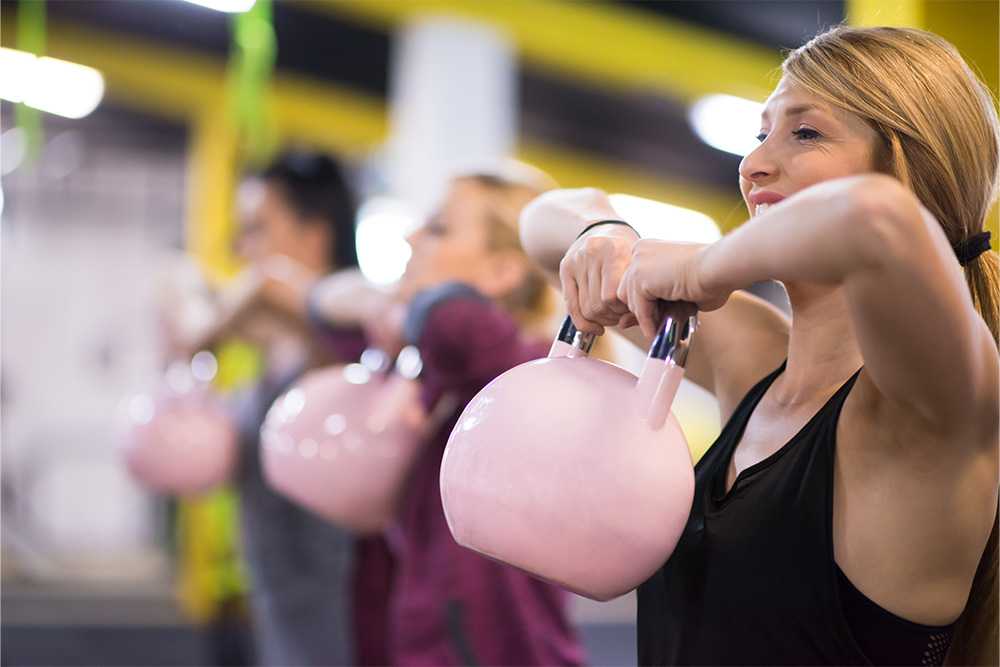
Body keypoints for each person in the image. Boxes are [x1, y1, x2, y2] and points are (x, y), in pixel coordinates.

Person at [519, 26, 999, 666]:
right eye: (760, 134)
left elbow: (880, 221)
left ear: (910, 167)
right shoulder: (756, 361)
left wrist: (706, 267)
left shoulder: (930, 403)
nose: (753, 164)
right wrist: (605, 233)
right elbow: (541, 222)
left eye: (806, 133)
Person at [310, 166, 588, 666]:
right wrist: (387, 305)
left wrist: (405, 308)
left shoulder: (518, 363)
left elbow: (450, 321)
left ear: (503, 271)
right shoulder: (429, 363)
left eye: (438, 228)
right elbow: (323, 303)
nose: (411, 237)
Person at [189, 150, 390, 666]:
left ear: (315, 235)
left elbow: (270, 284)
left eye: (257, 228)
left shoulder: (355, 342)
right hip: (281, 623)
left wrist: (206, 330)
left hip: (346, 631)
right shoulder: (273, 353)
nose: (241, 246)